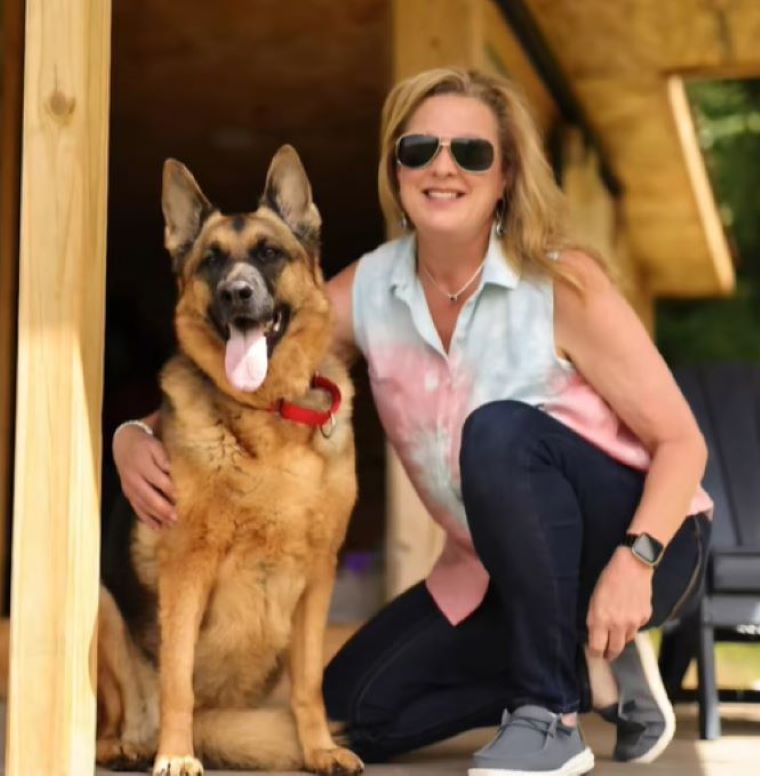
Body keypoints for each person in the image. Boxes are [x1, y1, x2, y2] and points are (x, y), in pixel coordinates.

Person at [113, 68, 712, 776]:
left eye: (472, 152)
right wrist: (137, 434)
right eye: (419, 148)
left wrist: (633, 564)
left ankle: (549, 716)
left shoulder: (564, 283)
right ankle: (595, 672)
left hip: (642, 543)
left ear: (506, 173)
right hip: (493, 573)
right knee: (352, 708)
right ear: (395, 169)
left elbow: (683, 443)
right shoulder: (372, 289)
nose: (443, 167)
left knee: (499, 432)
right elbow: (253, 362)